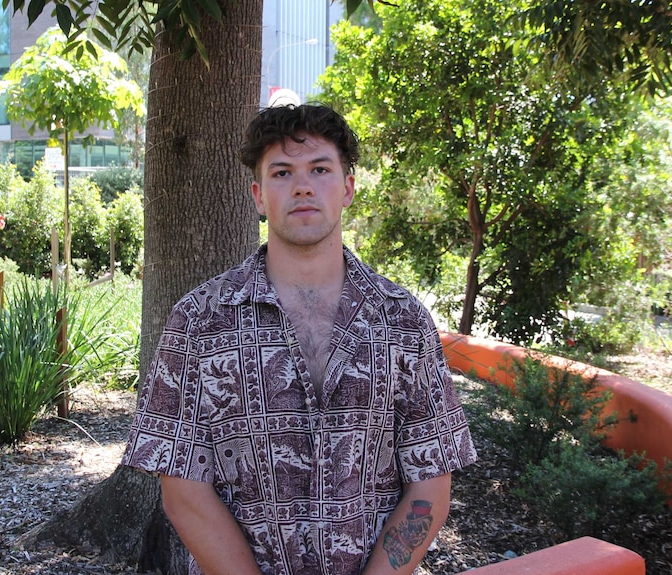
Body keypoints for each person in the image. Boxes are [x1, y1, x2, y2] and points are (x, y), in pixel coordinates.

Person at [121, 103, 477, 575]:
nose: (303, 185)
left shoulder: (404, 321)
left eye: (321, 169)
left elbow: (430, 483)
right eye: (282, 172)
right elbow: (182, 488)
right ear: (257, 195)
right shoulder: (199, 321)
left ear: (348, 188)